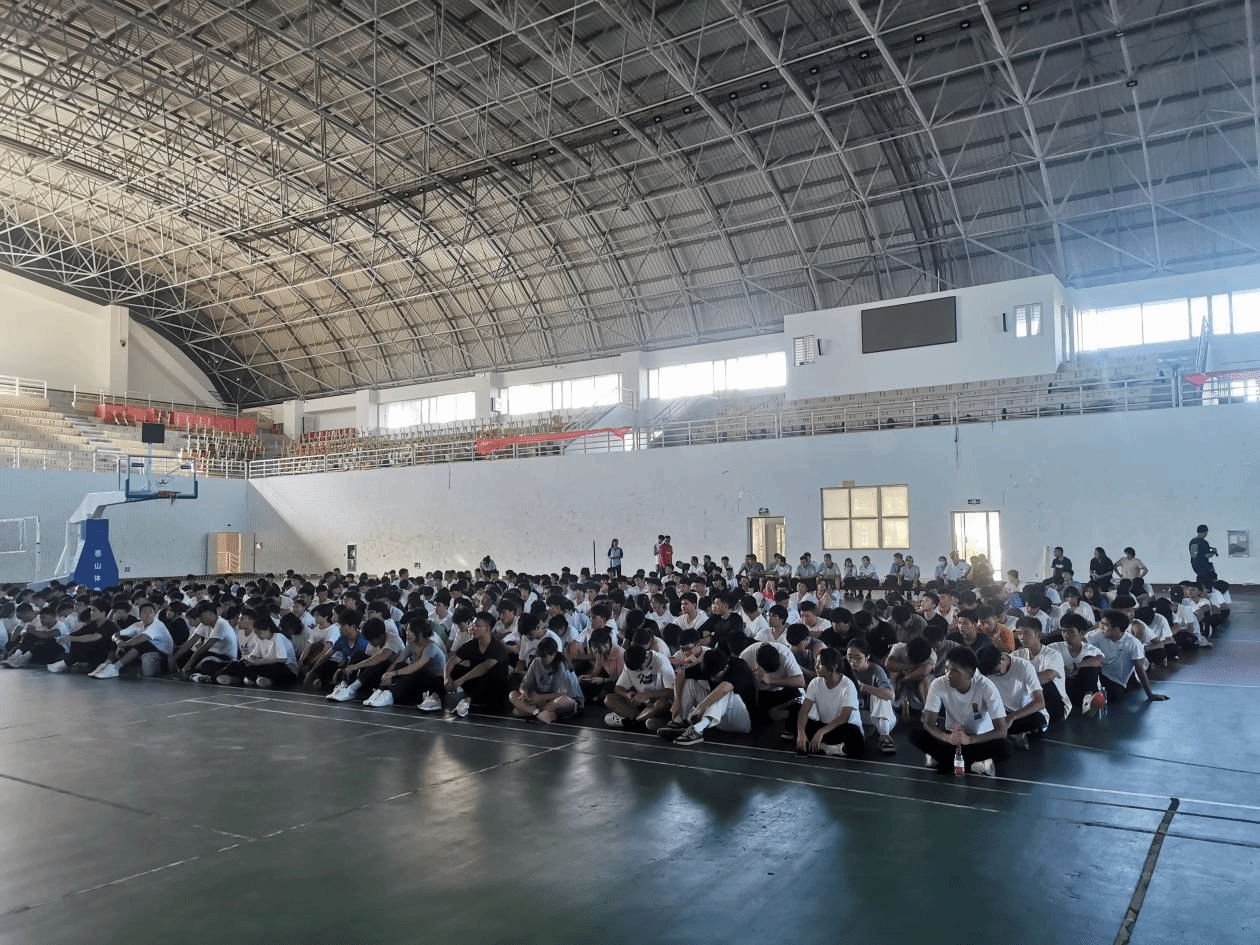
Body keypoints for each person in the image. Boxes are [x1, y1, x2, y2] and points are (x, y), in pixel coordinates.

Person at [908, 645, 1011, 776]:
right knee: (915, 734)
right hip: (953, 738)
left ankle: (945, 760)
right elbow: (928, 723)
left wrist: (970, 740)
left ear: (970, 674)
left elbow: (1001, 730)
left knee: (1005, 747)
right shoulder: (938, 684)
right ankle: (975, 765)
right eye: (946, 668)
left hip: (979, 740)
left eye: (954, 671)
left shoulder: (986, 687)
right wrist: (946, 737)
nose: (948, 674)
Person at [658, 647, 757, 747]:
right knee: (690, 682)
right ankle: (680, 722)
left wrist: (700, 707)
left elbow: (724, 688)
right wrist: (677, 701)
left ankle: (697, 731)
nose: (712, 679)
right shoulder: (709, 665)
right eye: (710, 676)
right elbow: (681, 675)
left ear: (725, 667)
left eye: (715, 676)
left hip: (742, 722)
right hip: (717, 720)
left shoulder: (740, 666)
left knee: (725, 691)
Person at [1085, 610, 1169, 704]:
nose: (1101, 627)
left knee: (1121, 694)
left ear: (1116, 629)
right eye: (1101, 623)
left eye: (1105, 625)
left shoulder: (1133, 643)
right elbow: (1082, 642)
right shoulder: (1099, 635)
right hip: (1103, 673)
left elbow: (1139, 669)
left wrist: (1150, 695)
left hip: (1119, 676)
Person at [794, 648, 865, 758]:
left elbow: (844, 717)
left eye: (821, 663)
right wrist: (801, 733)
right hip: (826, 728)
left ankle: (826, 747)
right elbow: (803, 711)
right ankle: (831, 748)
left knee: (853, 734)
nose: (816, 666)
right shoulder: (815, 683)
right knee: (796, 718)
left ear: (834, 666)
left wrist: (821, 732)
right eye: (816, 663)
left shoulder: (848, 685)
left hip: (842, 728)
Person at [977, 646, 1047, 750]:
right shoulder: (983, 671)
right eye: (992, 673)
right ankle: (1009, 737)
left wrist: (1011, 717)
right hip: (998, 714)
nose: (996, 675)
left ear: (1002, 658)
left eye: (997, 671)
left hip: (1019, 713)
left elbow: (1040, 702)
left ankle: (1001, 737)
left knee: (1038, 720)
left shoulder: (1023, 667)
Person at [445, 610, 512, 717]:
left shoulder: (497, 647)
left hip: (495, 689)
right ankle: (440, 699)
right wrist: (447, 677)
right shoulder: (472, 644)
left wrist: (461, 680)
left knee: (484, 675)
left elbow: (484, 667)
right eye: (473, 625)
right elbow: (453, 660)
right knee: (455, 669)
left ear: (488, 629)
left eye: (477, 626)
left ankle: (469, 699)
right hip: (476, 685)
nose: (473, 628)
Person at [90, 601, 175, 679]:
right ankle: (107, 663)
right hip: (149, 650)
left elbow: (143, 637)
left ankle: (115, 667)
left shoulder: (157, 625)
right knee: (122, 638)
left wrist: (125, 644)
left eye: (150, 612)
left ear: (154, 614)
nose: (148, 614)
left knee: (142, 642)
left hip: (164, 657)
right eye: (145, 612)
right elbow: (116, 634)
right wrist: (118, 641)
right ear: (140, 615)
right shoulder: (138, 625)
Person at [509, 637, 583, 723]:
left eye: (544, 657)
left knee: (562, 701)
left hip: (564, 700)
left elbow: (565, 694)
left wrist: (541, 697)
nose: (541, 659)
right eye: (540, 656)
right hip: (543, 699)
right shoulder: (536, 662)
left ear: (554, 654)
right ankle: (539, 713)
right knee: (512, 695)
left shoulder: (562, 665)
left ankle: (535, 712)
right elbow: (524, 686)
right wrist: (524, 693)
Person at [603, 642, 675, 728]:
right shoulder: (630, 664)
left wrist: (647, 695)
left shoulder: (661, 660)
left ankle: (634, 721)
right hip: (641, 705)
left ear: (646, 658)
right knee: (609, 699)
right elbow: (618, 688)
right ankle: (643, 719)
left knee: (661, 704)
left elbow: (671, 692)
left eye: (638, 669)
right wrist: (627, 694)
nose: (637, 671)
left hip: (657, 703)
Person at [845, 637, 896, 754]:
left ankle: (885, 738)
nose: (853, 661)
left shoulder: (876, 670)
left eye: (858, 657)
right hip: (857, 715)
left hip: (881, 718)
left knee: (879, 695)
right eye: (849, 657)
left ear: (867, 657)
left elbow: (891, 695)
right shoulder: (844, 666)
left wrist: (862, 686)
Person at [1052, 614, 1105, 715]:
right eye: (1063, 631)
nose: (1066, 635)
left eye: (1070, 632)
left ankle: (1088, 702)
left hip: (1083, 690)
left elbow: (1100, 660)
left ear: (1082, 633)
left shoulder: (1090, 649)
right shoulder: (1055, 648)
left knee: (1089, 660)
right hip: (1064, 691)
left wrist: (1076, 666)